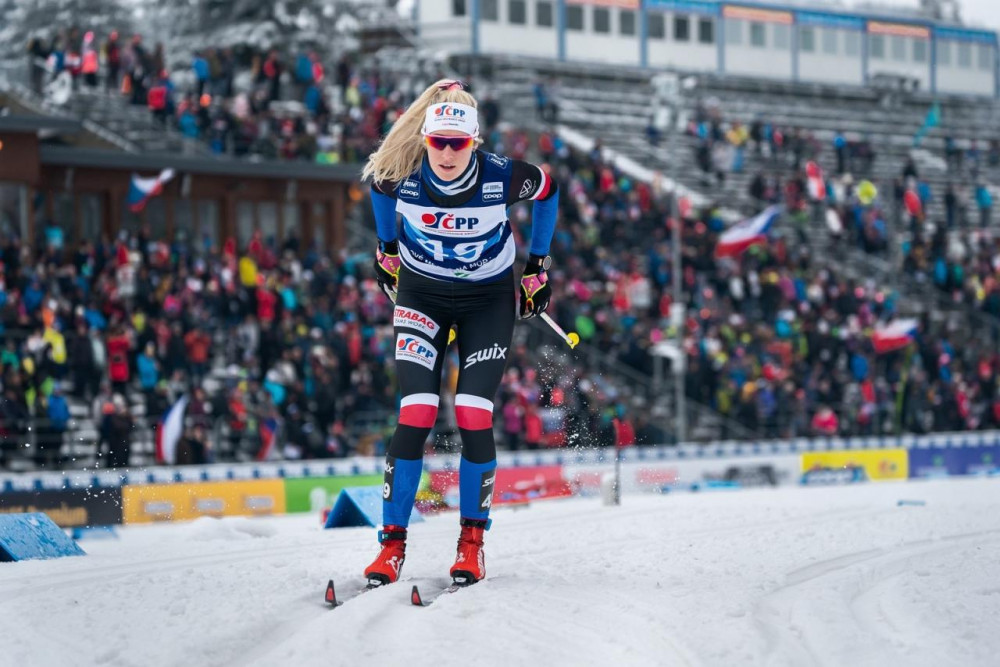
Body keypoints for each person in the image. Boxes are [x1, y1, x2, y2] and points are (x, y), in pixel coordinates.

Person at [359, 79, 559, 587]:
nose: (447, 153)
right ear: (424, 139)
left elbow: (549, 191)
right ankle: (391, 546)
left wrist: (539, 265)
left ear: (475, 143)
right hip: (423, 295)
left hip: (485, 301)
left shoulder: (500, 176)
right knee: (418, 409)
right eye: (438, 142)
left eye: (459, 143)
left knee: (472, 411)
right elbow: (379, 188)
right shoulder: (401, 174)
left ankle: (472, 544)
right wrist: (386, 248)